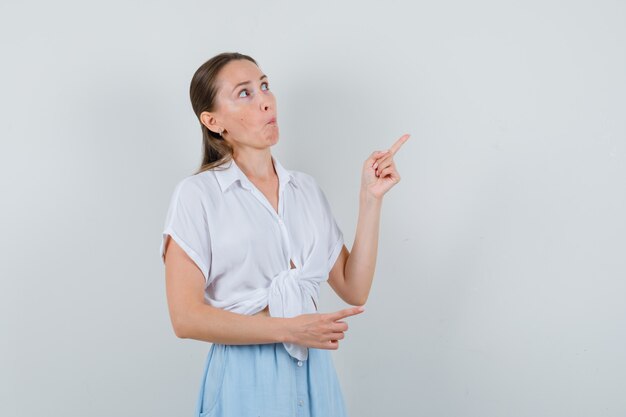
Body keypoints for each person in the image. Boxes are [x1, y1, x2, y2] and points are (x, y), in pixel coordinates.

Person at [159, 51, 409, 417]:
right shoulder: (197, 196)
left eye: (264, 86)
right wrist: (288, 330)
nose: (265, 101)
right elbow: (185, 318)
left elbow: (353, 287)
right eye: (244, 93)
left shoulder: (305, 190)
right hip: (246, 378)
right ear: (213, 121)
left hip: (315, 374)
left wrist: (370, 199)